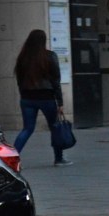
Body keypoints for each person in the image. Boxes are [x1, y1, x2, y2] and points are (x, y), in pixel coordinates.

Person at [12, 29, 72, 166]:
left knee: (27, 129)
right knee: (54, 127)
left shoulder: (23, 58)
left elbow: (19, 80)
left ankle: (11, 159)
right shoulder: (50, 56)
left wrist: (24, 95)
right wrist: (60, 102)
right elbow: (56, 80)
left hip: (27, 98)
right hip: (46, 97)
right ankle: (59, 158)